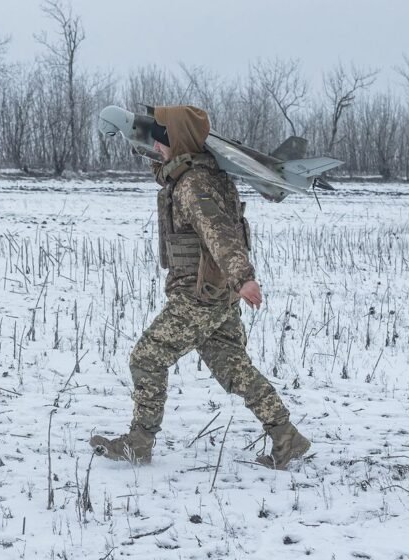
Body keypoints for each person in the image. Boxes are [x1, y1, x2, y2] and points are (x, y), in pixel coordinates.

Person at [89, 105, 310, 470]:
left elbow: (221, 235)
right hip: (213, 293)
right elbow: (164, 164)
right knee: (234, 368)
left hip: (198, 296)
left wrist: (244, 279)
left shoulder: (194, 185)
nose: (156, 149)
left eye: (162, 143)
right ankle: (287, 436)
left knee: (146, 358)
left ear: (178, 143)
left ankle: (139, 443)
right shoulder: (199, 172)